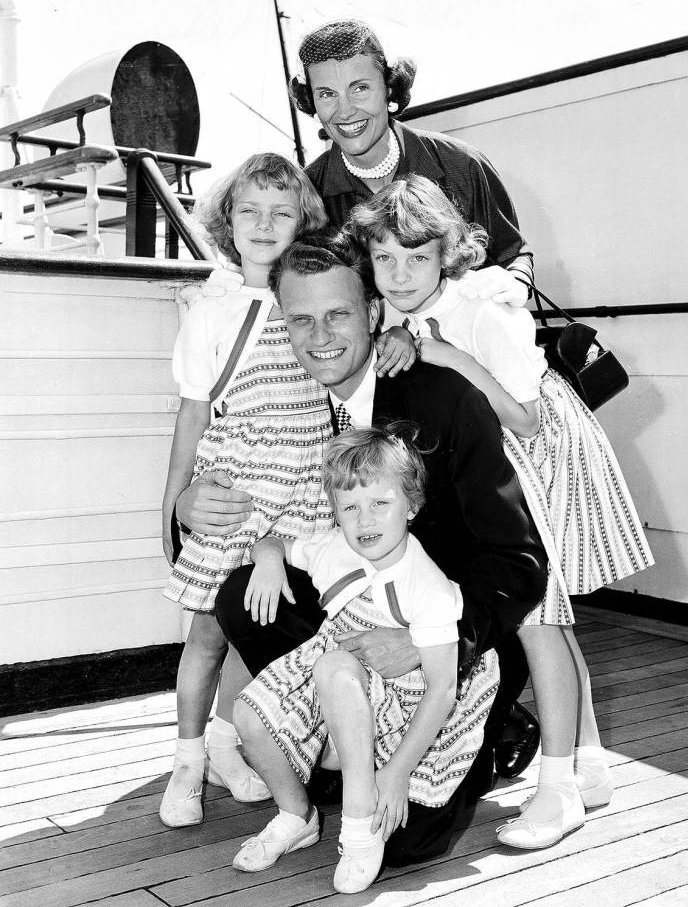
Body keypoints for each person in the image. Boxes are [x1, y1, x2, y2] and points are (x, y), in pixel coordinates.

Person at [200, 233, 548, 865]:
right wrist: (188, 504)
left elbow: (518, 564)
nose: (319, 336)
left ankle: (494, 727)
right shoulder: (288, 398)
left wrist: (424, 644)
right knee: (242, 595)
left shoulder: (443, 400)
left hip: (447, 639)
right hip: (351, 627)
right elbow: (223, 470)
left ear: (374, 314)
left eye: (338, 314)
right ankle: (335, 759)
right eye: (301, 319)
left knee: (402, 848)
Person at [350, 174, 655, 850]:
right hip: (493, 461)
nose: (400, 273)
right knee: (551, 625)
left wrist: (451, 358)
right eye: (384, 259)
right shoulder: (395, 313)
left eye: (417, 257)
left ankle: (559, 789)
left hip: (536, 458)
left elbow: (525, 417)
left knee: (536, 620)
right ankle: (589, 763)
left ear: (446, 255)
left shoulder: (484, 314)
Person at [231, 425, 500, 893]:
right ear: (335, 514)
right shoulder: (334, 549)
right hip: (341, 679)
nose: (365, 520)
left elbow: (442, 688)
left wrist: (395, 774)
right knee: (249, 714)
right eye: (349, 508)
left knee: (334, 667)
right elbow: (271, 542)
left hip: (406, 701)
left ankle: (359, 817)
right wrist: (269, 561)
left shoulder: (427, 586)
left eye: (380, 503)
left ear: (411, 506)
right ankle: (297, 815)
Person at [158, 153, 336, 828]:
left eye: (281, 211)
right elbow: (193, 413)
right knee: (206, 633)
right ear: (226, 219)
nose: (264, 223)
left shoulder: (312, 297)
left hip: (305, 488)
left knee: (269, 622)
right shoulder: (210, 308)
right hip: (236, 485)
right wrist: (172, 508)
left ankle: (240, 742)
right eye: (249, 209)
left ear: (303, 221)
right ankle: (188, 760)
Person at [289, 17, 534, 307]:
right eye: (327, 94)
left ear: (388, 89)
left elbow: (513, 254)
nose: (344, 111)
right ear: (311, 102)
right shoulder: (306, 192)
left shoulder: (462, 164)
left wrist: (516, 281)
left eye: (360, 88)